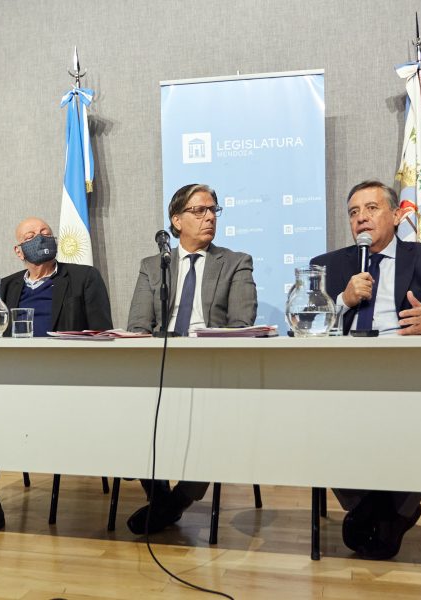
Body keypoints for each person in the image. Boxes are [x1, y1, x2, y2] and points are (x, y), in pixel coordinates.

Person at [311, 180, 421, 560]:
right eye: (353, 212)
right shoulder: (329, 265)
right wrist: (342, 301)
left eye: (371, 208)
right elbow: (306, 325)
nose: (361, 218)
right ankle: (379, 509)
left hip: (410, 377)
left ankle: (385, 510)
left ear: (397, 215)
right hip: (345, 377)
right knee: (315, 413)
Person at [0, 217, 113, 546]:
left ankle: (159, 498)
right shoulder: (4, 287)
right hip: (14, 381)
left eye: (45, 233)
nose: (41, 238)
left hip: (67, 383)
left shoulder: (83, 278)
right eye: (31, 235)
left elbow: (103, 337)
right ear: (18, 250)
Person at [126, 183, 257, 535]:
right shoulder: (153, 266)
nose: (210, 217)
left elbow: (241, 326)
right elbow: (138, 327)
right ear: (177, 220)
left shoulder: (235, 262)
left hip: (210, 366)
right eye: (200, 210)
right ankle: (159, 496)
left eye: (213, 210)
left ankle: (176, 502)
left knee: (211, 425)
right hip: (161, 364)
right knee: (131, 410)